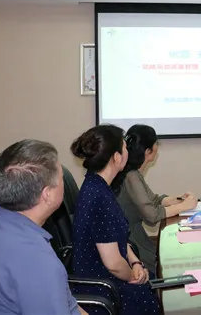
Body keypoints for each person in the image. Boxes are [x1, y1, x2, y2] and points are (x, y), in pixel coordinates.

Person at [0, 140, 85, 315]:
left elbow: (66, 301)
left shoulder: (1, 220)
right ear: (47, 194)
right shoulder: (36, 261)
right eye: (61, 178)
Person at [71, 125, 159, 315]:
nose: (129, 151)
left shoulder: (97, 184)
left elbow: (116, 238)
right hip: (102, 285)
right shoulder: (99, 197)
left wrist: (136, 263)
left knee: (153, 280)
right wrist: (133, 276)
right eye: (125, 148)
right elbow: (113, 264)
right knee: (149, 294)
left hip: (109, 275)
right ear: (117, 157)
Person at [111, 124, 197, 271]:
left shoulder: (132, 172)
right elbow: (151, 215)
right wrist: (183, 207)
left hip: (132, 237)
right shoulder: (131, 176)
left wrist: (178, 200)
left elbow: (153, 200)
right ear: (148, 151)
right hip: (130, 242)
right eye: (156, 142)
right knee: (167, 263)